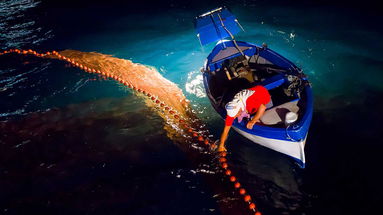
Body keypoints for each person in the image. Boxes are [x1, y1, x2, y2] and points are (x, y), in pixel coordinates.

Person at [216, 85, 271, 152]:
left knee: (260, 109)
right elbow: (225, 130)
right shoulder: (231, 108)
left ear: (239, 110)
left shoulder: (249, 102)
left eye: (235, 115)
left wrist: (253, 121)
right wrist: (221, 145)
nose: (234, 117)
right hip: (250, 94)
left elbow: (263, 107)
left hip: (261, 92)